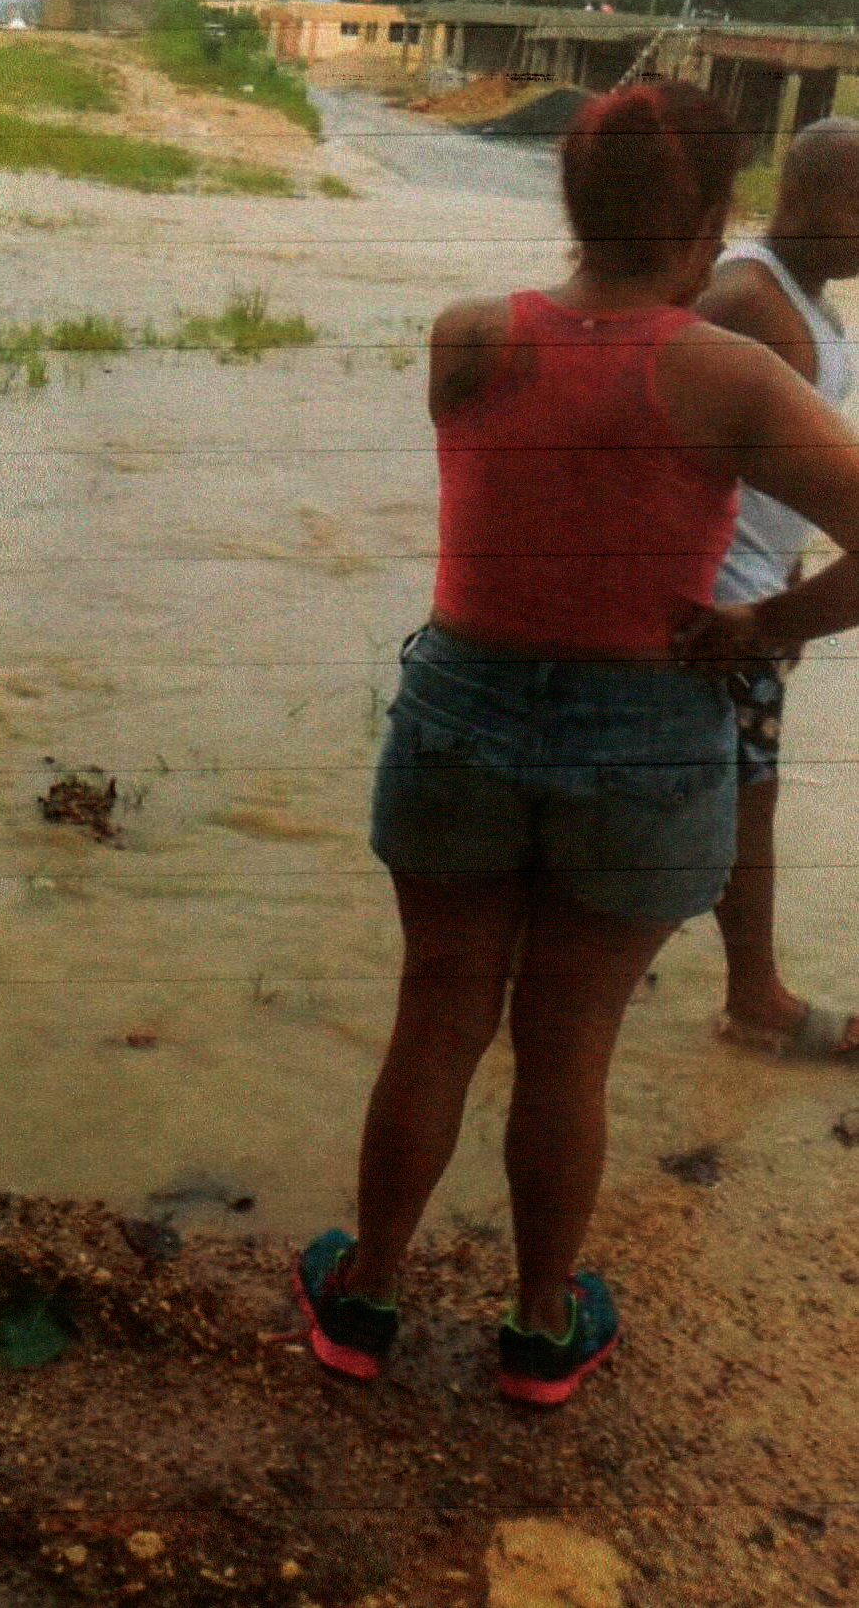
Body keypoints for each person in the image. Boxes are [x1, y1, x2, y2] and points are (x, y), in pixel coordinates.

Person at [293, 82, 859, 1407]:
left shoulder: (465, 336)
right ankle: (540, 1326)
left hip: (460, 710)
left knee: (435, 1014)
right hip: (647, 727)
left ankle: (364, 1295)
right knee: (569, 1043)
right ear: (711, 221)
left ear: (566, 199)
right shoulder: (730, 374)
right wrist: (764, 624)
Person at [694, 119, 859, 1058]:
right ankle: (754, 998)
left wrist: (788, 579)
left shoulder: (805, 298)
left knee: (722, 790)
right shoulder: (747, 300)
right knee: (745, 799)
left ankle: (555, 965)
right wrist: (757, 613)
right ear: (811, 200)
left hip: (756, 589)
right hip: (720, 604)